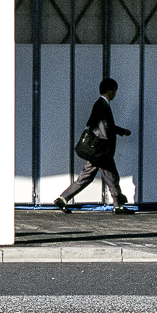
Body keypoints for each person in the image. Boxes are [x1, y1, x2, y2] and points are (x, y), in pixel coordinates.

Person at [54, 78, 134, 214]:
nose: (115, 94)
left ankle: (63, 198)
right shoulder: (102, 105)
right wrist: (105, 148)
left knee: (87, 177)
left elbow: (103, 126)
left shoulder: (101, 104)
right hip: (101, 151)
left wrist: (121, 131)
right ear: (109, 90)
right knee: (112, 177)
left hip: (97, 150)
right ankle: (118, 206)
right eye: (114, 91)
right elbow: (104, 129)